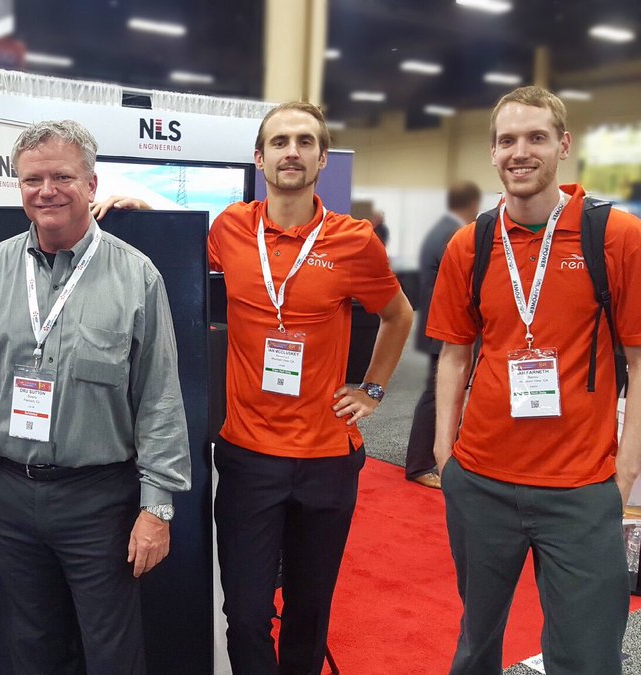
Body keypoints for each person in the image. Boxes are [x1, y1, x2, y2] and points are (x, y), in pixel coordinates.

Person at [0, 119, 192, 675]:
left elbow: (160, 401)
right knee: (32, 645)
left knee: (112, 652)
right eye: (32, 179)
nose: (46, 191)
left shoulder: (137, 276)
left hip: (100, 501)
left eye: (62, 177)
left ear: (91, 184)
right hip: (10, 497)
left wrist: (157, 508)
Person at [428, 86, 641, 674]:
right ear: (492, 152)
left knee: (587, 655)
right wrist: (444, 454)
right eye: (507, 140)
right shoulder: (471, 244)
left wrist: (624, 472)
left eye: (536, 137)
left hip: (580, 488)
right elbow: (454, 355)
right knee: (477, 643)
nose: (521, 151)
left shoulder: (617, 237)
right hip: (481, 481)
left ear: (563, 145)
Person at [211, 102, 412, 674]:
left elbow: (398, 314)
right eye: (279, 142)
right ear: (259, 158)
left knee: (308, 610)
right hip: (248, 454)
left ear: (323, 159)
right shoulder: (230, 228)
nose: (291, 152)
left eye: (304, 142)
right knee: (245, 613)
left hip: (326, 458)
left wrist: (373, 389)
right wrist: (140, 211)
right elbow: (178, 254)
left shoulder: (353, 240)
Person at [403, 181, 482, 489]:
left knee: (438, 392)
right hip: (445, 328)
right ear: (472, 204)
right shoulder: (454, 234)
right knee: (437, 394)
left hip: (438, 325)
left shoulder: (441, 230)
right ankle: (420, 464)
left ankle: (430, 457)